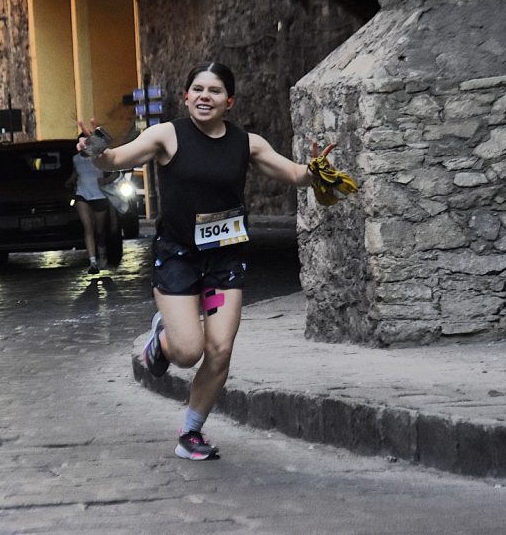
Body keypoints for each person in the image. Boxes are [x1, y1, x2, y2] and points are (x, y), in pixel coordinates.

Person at [77, 61, 356, 460]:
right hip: (178, 257)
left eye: (215, 91)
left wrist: (315, 171)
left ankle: (191, 432)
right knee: (188, 352)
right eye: (198, 89)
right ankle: (163, 341)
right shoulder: (167, 135)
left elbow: (295, 175)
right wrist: (97, 151)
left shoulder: (247, 144)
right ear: (186, 96)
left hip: (225, 259)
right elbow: (116, 159)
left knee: (220, 349)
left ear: (230, 101)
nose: (205, 96)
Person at [66, 142, 117, 274]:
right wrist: (69, 182)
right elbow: (76, 174)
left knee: (100, 231)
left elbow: (114, 172)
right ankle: (92, 262)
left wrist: (105, 181)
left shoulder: (99, 157)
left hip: (99, 196)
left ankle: (102, 256)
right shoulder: (76, 159)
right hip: (82, 196)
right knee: (88, 228)